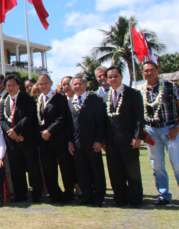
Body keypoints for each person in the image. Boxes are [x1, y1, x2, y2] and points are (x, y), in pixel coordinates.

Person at [140, 61, 179, 208]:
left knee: (178, 164)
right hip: (151, 131)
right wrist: (143, 131)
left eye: (151, 70)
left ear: (157, 69)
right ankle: (164, 195)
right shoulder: (141, 90)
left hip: (170, 130)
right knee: (157, 165)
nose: (149, 73)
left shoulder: (171, 86)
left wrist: (178, 126)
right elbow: (139, 112)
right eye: (146, 71)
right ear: (142, 73)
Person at [103, 66, 144, 207]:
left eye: (115, 76)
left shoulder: (133, 94)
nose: (113, 79)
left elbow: (139, 117)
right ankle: (120, 198)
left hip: (128, 140)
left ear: (121, 77)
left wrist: (137, 136)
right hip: (111, 141)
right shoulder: (104, 96)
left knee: (132, 171)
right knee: (115, 172)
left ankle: (135, 199)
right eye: (110, 77)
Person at [0, 75, 43, 203]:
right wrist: (11, 133)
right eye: (8, 85)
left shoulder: (26, 98)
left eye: (13, 85)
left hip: (26, 139)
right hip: (12, 141)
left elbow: (29, 117)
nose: (10, 87)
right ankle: (21, 193)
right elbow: (1, 119)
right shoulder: (4, 101)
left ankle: (37, 194)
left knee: (33, 168)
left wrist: (17, 131)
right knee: (16, 169)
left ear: (18, 86)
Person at [36, 74, 75, 204]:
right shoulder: (39, 100)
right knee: (49, 170)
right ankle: (55, 195)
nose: (43, 86)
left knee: (65, 169)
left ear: (51, 83)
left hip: (59, 139)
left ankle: (69, 194)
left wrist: (50, 131)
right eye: (41, 84)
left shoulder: (59, 98)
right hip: (45, 142)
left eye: (45, 83)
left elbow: (63, 117)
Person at [68, 75, 107, 207]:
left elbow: (101, 122)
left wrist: (99, 140)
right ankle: (87, 195)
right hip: (77, 143)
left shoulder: (95, 99)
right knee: (82, 171)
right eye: (75, 85)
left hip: (93, 142)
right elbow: (69, 124)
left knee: (96, 170)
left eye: (80, 84)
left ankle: (99, 196)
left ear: (85, 85)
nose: (77, 87)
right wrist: (70, 141)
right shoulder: (70, 101)